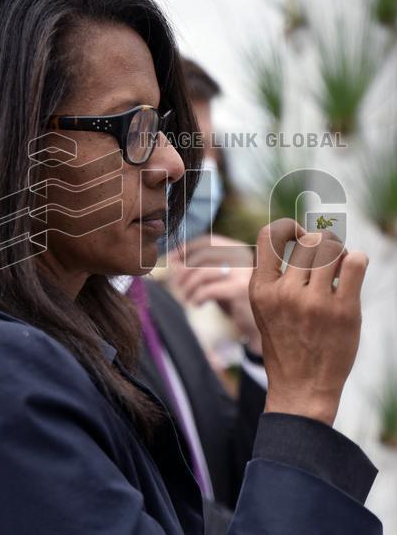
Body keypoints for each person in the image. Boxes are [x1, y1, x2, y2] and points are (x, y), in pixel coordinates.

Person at [0, 0, 381, 534]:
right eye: (132, 128)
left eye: (165, 131)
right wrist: (303, 400)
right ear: (8, 145)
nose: (173, 165)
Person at [113, 59, 268, 533]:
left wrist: (264, 345)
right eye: (184, 146)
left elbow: (229, 475)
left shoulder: (155, 304)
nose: (185, 168)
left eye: (208, 151)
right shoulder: (57, 329)